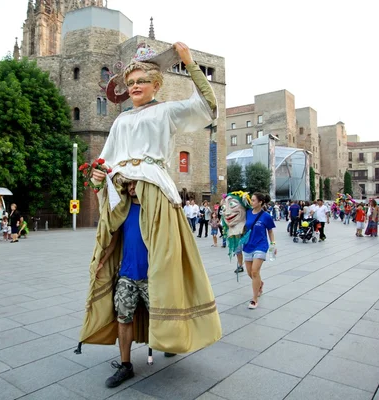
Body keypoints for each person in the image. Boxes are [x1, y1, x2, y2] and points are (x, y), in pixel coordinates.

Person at [80, 42, 221, 389]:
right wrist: (97, 175)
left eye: (142, 80)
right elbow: (106, 162)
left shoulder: (167, 112)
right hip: (123, 198)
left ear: (157, 84)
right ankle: (125, 363)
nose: (135, 87)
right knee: (119, 271)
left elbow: (207, 108)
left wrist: (189, 62)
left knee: (164, 266)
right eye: (131, 83)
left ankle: (171, 333)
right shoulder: (121, 121)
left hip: (156, 195)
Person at [242, 193, 275, 310]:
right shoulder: (247, 213)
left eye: (254, 200)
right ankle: (260, 284)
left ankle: (254, 299)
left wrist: (273, 245)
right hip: (247, 245)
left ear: (260, 202)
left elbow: (270, 231)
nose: (252, 202)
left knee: (255, 272)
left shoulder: (266, 216)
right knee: (249, 273)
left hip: (260, 245)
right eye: (251, 200)